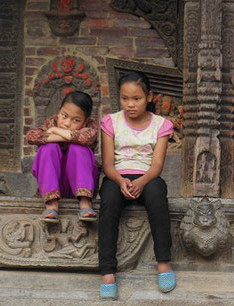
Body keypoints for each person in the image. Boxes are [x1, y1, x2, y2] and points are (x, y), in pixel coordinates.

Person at [98, 71, 175, 300]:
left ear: (149, 97)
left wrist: (141, 181)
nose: (130, 105)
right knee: (109, 203)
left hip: (147, 176)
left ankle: (163, 262)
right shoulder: (110, 122)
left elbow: (157, 164)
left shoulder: (162, 125)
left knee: (157, 198)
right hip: (117, 176)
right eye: (125, 99)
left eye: (137, 99)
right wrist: (121, 181)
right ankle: (108, 272)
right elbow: (108, 163)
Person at [27, 91, 98, 223]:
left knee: (79, 147)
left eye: (75, 120)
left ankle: (85, 203)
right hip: (54, 184)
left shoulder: (90, 126)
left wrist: (54, 131)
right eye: (64, 116)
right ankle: (51, 204)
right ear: (59, 112)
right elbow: (31, 136)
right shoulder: (50, 122)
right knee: (48, 148)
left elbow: (86, 138)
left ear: (85, 121)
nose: (66, 123)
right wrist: (65, 135)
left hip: (80, 184)